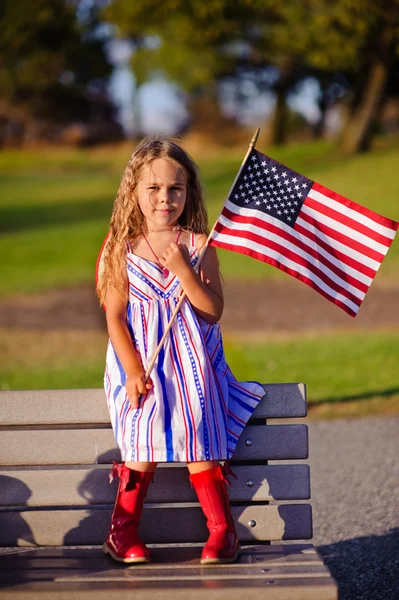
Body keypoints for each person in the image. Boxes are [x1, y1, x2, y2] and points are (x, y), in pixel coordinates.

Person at [96, 137, 264, 566]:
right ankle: (122, 531)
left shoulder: (199, 245)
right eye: (153, 188)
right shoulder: (120, 250)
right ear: (133, 192)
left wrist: (184, 273)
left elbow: (212, 311)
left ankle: (222, 531)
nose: (164, 199)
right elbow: (115, 317)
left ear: (189, 192)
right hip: (141, 367)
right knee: (142, 438)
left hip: (192, 366)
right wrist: (133, 371)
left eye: (175, 188)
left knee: (197, 435)